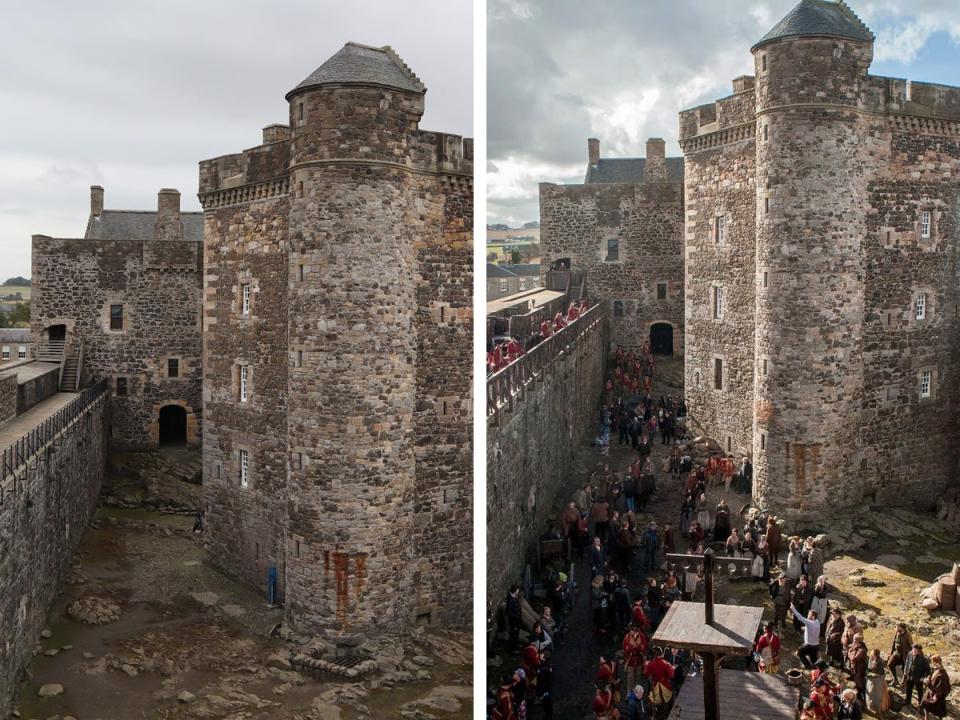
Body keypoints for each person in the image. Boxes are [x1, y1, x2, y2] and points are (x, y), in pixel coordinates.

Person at [643, 647, 675, 713]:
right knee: (671, 695)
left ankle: (656, 711)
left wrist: (645, 665)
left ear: (654, 655)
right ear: (661, 654)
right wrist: (672, 669)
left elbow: (645, 675)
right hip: (665, 685)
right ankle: (667, 710)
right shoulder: (666, 663)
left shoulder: (650, 664)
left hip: (655, 685)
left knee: (653, 697)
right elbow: (671, 676)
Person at [920, 655, 950, 719]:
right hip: (930, 690)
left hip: (937, 694)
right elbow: (931, 676)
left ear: (936, 662)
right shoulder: (936, 668)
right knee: (925, 703)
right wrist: (927, 679)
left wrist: (936, 695)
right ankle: (926, 718)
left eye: (933, 662)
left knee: (939, 711)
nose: (932, 664)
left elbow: (942, 686)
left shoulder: (943, 674)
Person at [903, 643, 931, 708]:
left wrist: (923, 677)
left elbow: (927, 670)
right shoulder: (910, 653)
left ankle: (921, 705)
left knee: (920, 692)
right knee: (908, 689)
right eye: (913, 650)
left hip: (918, 678)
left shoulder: (924, 659)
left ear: (919, 651)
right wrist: (905, 671)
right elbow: (907, 662)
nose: (913, 652)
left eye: (915, 651)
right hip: (910, 675)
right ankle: (908, 701)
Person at [865, 648, 890, 718]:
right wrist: (868, 673)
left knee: (878, 696)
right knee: (871, 694)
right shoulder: (870, 659)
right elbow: (868, 668)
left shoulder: (880, 661)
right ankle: (871, 707)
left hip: (878, 680)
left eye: (872, 654)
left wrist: (873, 674)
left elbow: (880, 673)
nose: (871, 655)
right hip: (871, 680)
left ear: (876, 655)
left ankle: (880, 711)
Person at [623, 625, 648, 692]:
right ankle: (629, 691)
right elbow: (625, 647)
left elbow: (644, 646)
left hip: (639, 659)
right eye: (631, 630)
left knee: (638, 675)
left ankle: (636, 690)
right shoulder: (627, 637)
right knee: (630, 676)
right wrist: (632, 647)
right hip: (630, 660)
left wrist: (637, 647)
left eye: (633, 631)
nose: (631, 632)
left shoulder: (642, 636)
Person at [888, 622, 912, 686]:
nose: (897, 628)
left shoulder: (907, 635)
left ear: (902, 628)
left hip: (904, 655)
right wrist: (891, 653)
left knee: (905, 669)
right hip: (896, 653)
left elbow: (911, 646)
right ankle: (895, 679)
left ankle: (904, 681)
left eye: (898, 627)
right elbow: (894, 643)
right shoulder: (897, 632)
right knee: (890, 664)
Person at [846, 633, 867, 702]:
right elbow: (850, 650)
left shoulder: (862, 650)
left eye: (855, 640)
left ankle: (864, 697)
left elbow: (854, 658)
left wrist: (849, 653)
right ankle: (859, 694)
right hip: (855, 668)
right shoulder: (856, 646)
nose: (853, 642)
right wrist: (850, 652)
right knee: (856, 681)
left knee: (860, 683)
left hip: (860, 669)